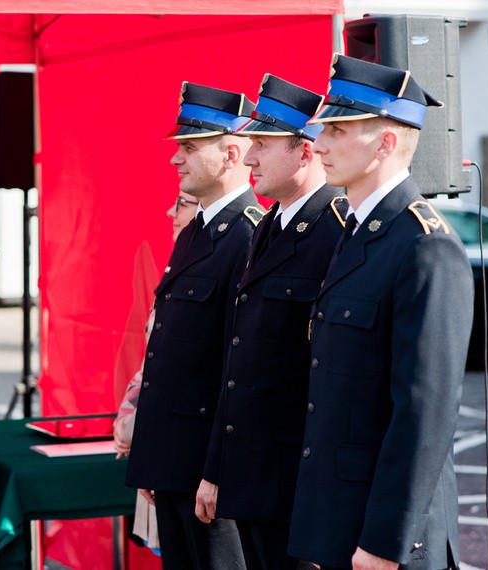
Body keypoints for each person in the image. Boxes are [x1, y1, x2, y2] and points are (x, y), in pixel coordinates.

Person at [288, 54, 474, 570]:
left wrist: (384, 544)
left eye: (338, 130)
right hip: (339, 521)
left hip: (387, 540)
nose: (318, 144)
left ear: (387, 143)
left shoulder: (424, 246)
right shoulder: (356, 234)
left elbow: (424, 415)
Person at [193, 74, 347, 570]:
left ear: (305, 152)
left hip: (298, 487)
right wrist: (217, 468)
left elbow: (331, 380)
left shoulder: (334, 233)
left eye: (262, 143)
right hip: (255, 478)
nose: (251, 155)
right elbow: (239, 363)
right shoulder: (269, 228)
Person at [125, 81, 259, 570]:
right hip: (175, 461)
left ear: (229, 155)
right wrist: (153, 455)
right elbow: (170, 353)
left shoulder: (246, 236)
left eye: (188, 148)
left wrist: (218, 470)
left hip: (205, 467)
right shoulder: (198, 230)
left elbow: (236, 368)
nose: (174, 160)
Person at [114, 189, 200, 552]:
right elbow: (152, 365)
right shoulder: (180, 264)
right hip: (158, 443)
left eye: (183, 202)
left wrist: (134, 428)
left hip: (188, 456)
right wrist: (131, 426)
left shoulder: (237, 252)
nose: (170, 211)